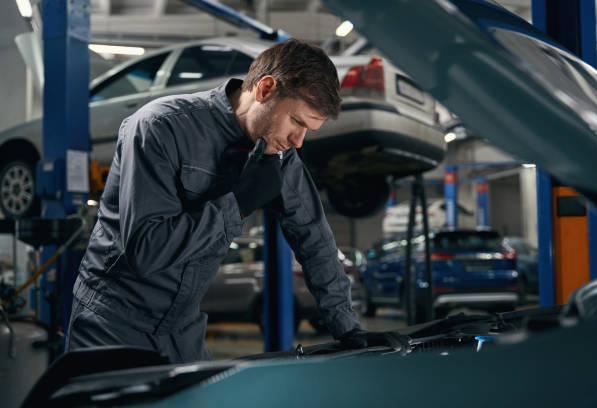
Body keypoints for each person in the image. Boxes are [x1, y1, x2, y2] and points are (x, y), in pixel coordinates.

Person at [66, 39, 409, 363]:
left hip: (181, 327)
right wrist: (239, 202)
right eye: (296, 122)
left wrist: (346, 326)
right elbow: (145, 251)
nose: (299, 141)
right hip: (111, 320)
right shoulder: (161, 127)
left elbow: (314, 239)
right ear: (265, 90)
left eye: (309, 131)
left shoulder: (280, 153)